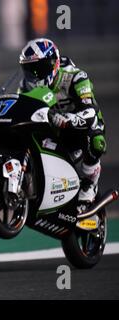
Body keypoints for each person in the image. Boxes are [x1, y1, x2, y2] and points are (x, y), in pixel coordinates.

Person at [19, 38, 106, 212]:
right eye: (30, 70)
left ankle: (90, 185)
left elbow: (90, 111)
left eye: (39, 68)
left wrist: (69, 119)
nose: (35, 75)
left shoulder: (75, 77)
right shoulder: (25, 87)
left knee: (96, 141)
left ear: (54, 63)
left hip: (81, 128)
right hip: (54, 131)